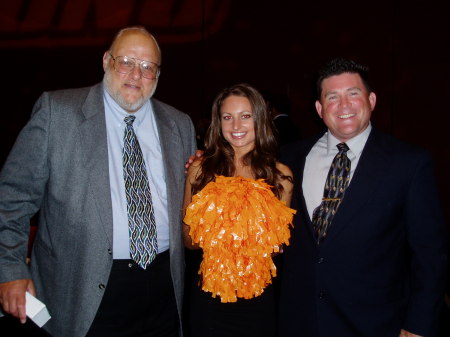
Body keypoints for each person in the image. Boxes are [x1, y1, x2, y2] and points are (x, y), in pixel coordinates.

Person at [0, 26, 197, 337]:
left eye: (148, 67)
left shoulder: (179, 124)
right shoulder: (57, 113)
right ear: (106, 60)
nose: (136, 74)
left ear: (158, 74)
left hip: (163, 290)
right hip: (83, 290)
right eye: (126, 61)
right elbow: (12, 199)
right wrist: (9, 270)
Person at [278, 58, 448, 337]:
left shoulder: (408, 163)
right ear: (320, 108)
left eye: (353, 94)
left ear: (371, 100)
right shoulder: (289, 158)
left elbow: (430, 254)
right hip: (300, 321)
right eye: (332, 97)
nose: (344, 106)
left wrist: (418, 325)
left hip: (375, 324)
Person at [183, 83, 295, 337]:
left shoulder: (280, 176)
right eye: (227, 117)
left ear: (260, 119)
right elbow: (188, 241)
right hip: (208, 296)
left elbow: (278, 249)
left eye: (245, 116)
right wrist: (220, 227)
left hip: (258, 298)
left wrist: (250, 236)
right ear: (218, 122)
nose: (236, 126)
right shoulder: (200, 170)